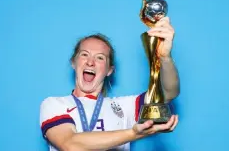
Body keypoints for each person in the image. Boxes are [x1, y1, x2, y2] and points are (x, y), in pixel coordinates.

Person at [40, 17, 180, 151]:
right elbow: (69, 144)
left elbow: (167, 92)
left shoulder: (124, 107)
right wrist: (133, 133)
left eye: (100, 58)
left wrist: (164, 57)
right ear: (73, 63)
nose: (90, 62)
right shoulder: (55, 104)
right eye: (84, 54)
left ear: (109, 70)